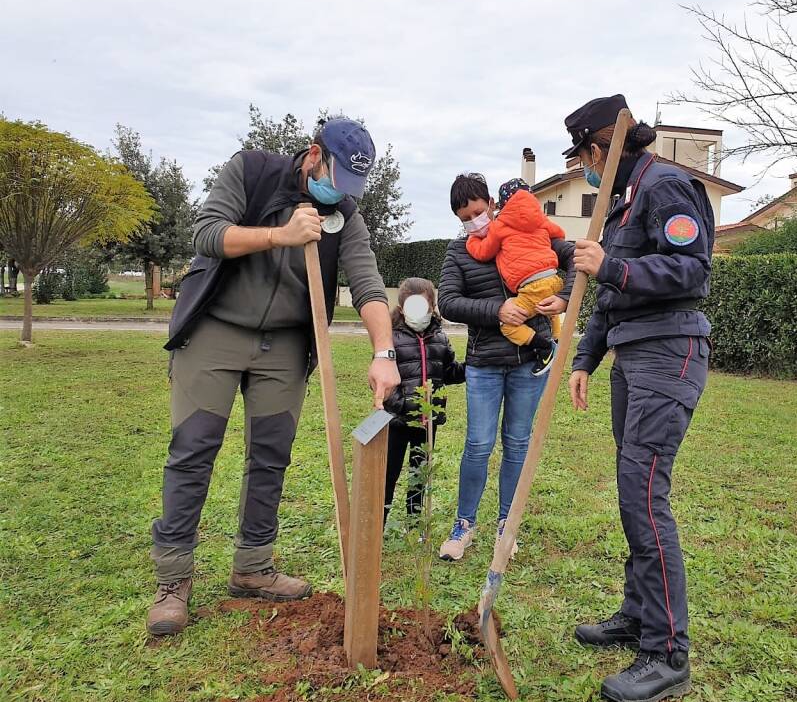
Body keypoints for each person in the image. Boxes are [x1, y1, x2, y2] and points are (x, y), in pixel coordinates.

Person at [147, 117, 401, 637]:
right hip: (217, 327)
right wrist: (280, 235)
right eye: (335, 179)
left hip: (285, 342)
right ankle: (173, 580)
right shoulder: (252, 171)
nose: (340, 195)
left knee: (271, 453)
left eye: (351, 189)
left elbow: (369, 284)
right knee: (194, 449)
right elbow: (207, 233)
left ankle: (253, 567)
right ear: (313, 155)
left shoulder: (345, 216)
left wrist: (384, 351)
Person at [564, 95, 714, 702]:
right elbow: (611, 294)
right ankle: (637, 614)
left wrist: (612, 269)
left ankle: (666, 651)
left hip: (668, 354)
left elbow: (691, 270)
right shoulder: (625, 203)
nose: (586, 170)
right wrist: (584, 358)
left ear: (603, 148)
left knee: (645, 492)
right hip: (633, 356)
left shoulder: (667, 187)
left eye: (585, 158)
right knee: (634, 493)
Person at [436, 172, 576, 561]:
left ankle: (506, 525)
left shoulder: (529, 230)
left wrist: (564, 297)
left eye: (479, 212)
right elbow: (447, 301)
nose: (474, 221)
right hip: (483, 364)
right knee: (478, 445)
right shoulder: (459, 251)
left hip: (529, 363)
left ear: (493, 206)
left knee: (517, 443)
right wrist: (495, 309)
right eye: (465, 218)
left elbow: (578, 259)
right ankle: (464, 524)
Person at [382, 277, 465, 529]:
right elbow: (382, 379)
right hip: (396, 421)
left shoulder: (440, 337)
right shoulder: (389, 337)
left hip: (427, 423)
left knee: (419, 474)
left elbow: (449, 372)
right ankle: (378, 521)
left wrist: (474, 366)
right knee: (388, 474)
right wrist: (402, 405)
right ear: (402, 305)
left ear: (432, 305)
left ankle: (414, 523)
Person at [465, 178, 566, 376]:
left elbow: (484, 252)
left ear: (500, 205)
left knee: (508, 325)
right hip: (553, 279)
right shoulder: (541, 220)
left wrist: (471, 242)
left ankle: (544, 348)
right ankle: (556, 337)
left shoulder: (500, 225)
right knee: (549, 308)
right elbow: (560, 233)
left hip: (531, 285)